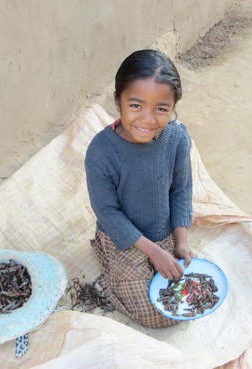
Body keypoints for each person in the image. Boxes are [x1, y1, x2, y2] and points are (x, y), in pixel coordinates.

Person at [84, 49, 195, 328]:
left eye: (161, 108)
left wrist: (180, 240)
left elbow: (181, 190)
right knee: (153, 313)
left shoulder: (177, 138)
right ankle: (111, 271)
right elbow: (108, 213)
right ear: (117, 101)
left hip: (164, 229)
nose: (147, 119)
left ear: (173, 107)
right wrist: (152, 252)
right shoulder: (101, 152)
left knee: (184, 299)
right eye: (136, 106)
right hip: (123, 236)